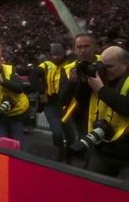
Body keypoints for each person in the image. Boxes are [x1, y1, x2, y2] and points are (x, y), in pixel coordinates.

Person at [82, 46, 129, 179]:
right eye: (102, 66)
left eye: (110, 66)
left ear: (125, 64)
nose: (105, 70)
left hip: (127, 151)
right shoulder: (102, 77)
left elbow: (126, 108)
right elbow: (80, 101)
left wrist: (100, 89)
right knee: (91, 187)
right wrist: (81, 80)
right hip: (105, 148)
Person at [28, 43, 76, 161]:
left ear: (63, 53)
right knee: (57, 132)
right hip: (51, 103)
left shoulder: (70, 64)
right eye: (53, 55)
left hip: (67, 104)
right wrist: (42, 92)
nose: (55, 57)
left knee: (71, 135)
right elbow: (32, 77)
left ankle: (70, 157)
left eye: (58, 54)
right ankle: (59, 157)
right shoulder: (46, 65)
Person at [59, 34, 100, 139]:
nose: (83, 50)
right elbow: (62, 100)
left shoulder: (105, 62)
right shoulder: (68, 69)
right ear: (75, 49)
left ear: (94, 47)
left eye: (86, 46)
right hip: (81, 118)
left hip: (105, 114)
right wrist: (72, 81)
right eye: (79, 47)